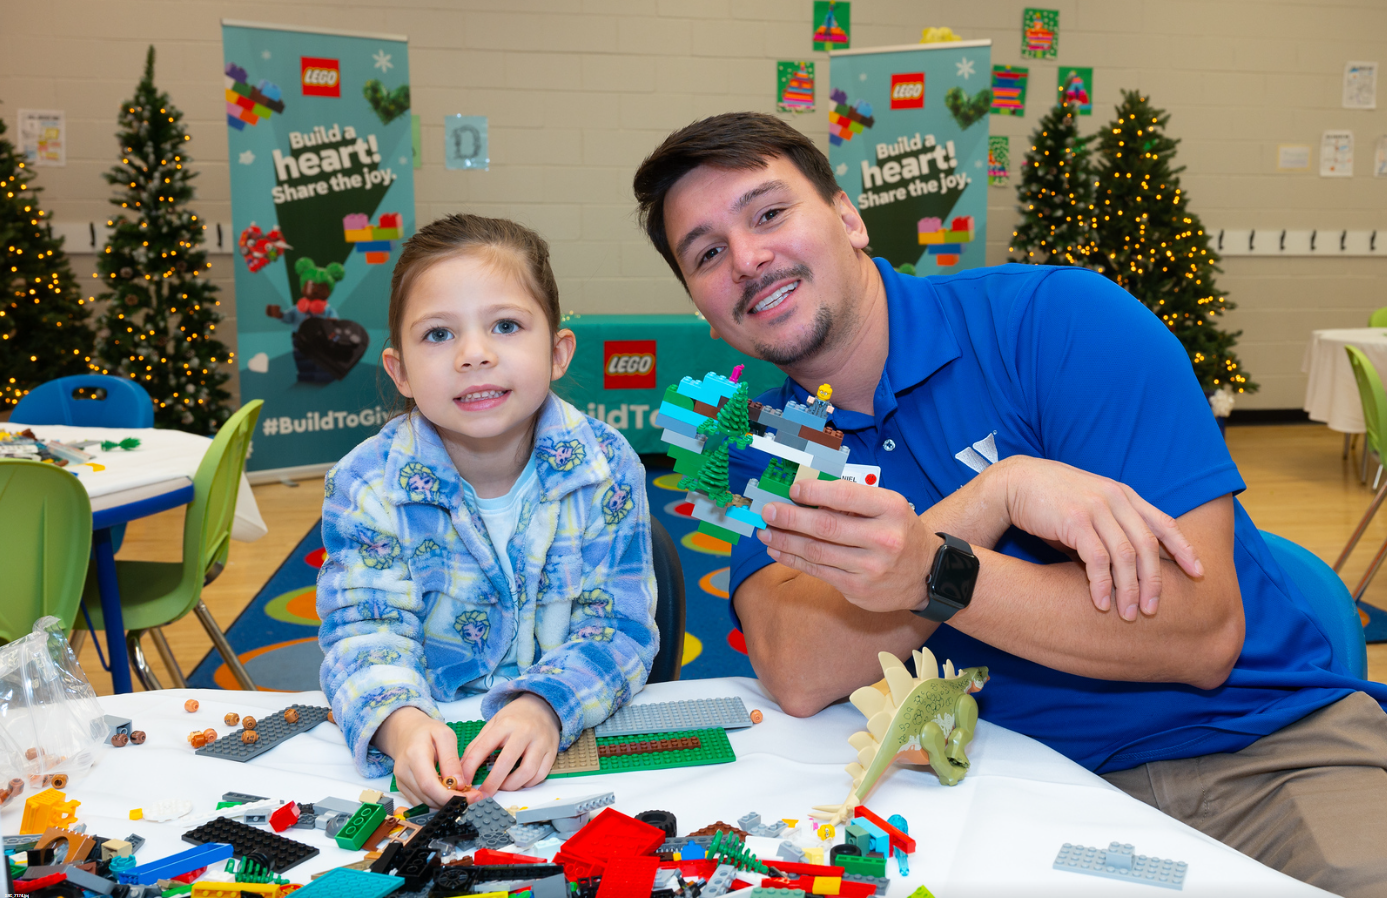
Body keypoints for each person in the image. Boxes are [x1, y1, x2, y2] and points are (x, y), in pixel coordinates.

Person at [633, 112, 1387, 896]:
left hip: (1256, 752)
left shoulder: (1057, 320)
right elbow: (796, 670)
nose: (749, 259)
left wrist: (932, 570)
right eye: (708, 253)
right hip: (999, 785)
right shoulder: (761, 445)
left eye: (768, 213)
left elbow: (1200, 632)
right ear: (703, 305)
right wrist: (994, 495)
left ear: (849, 218)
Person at [317, 213, 659, 807]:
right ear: (399, 372)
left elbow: (621, 629)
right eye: (439, 334)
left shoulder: (607, 467)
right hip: (429, 739)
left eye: (505, 325)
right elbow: (362, 633)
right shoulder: (365, 484)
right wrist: (401, 727)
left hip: (568, 740)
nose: (474, 354)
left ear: (557, 353)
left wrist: (547, 705)